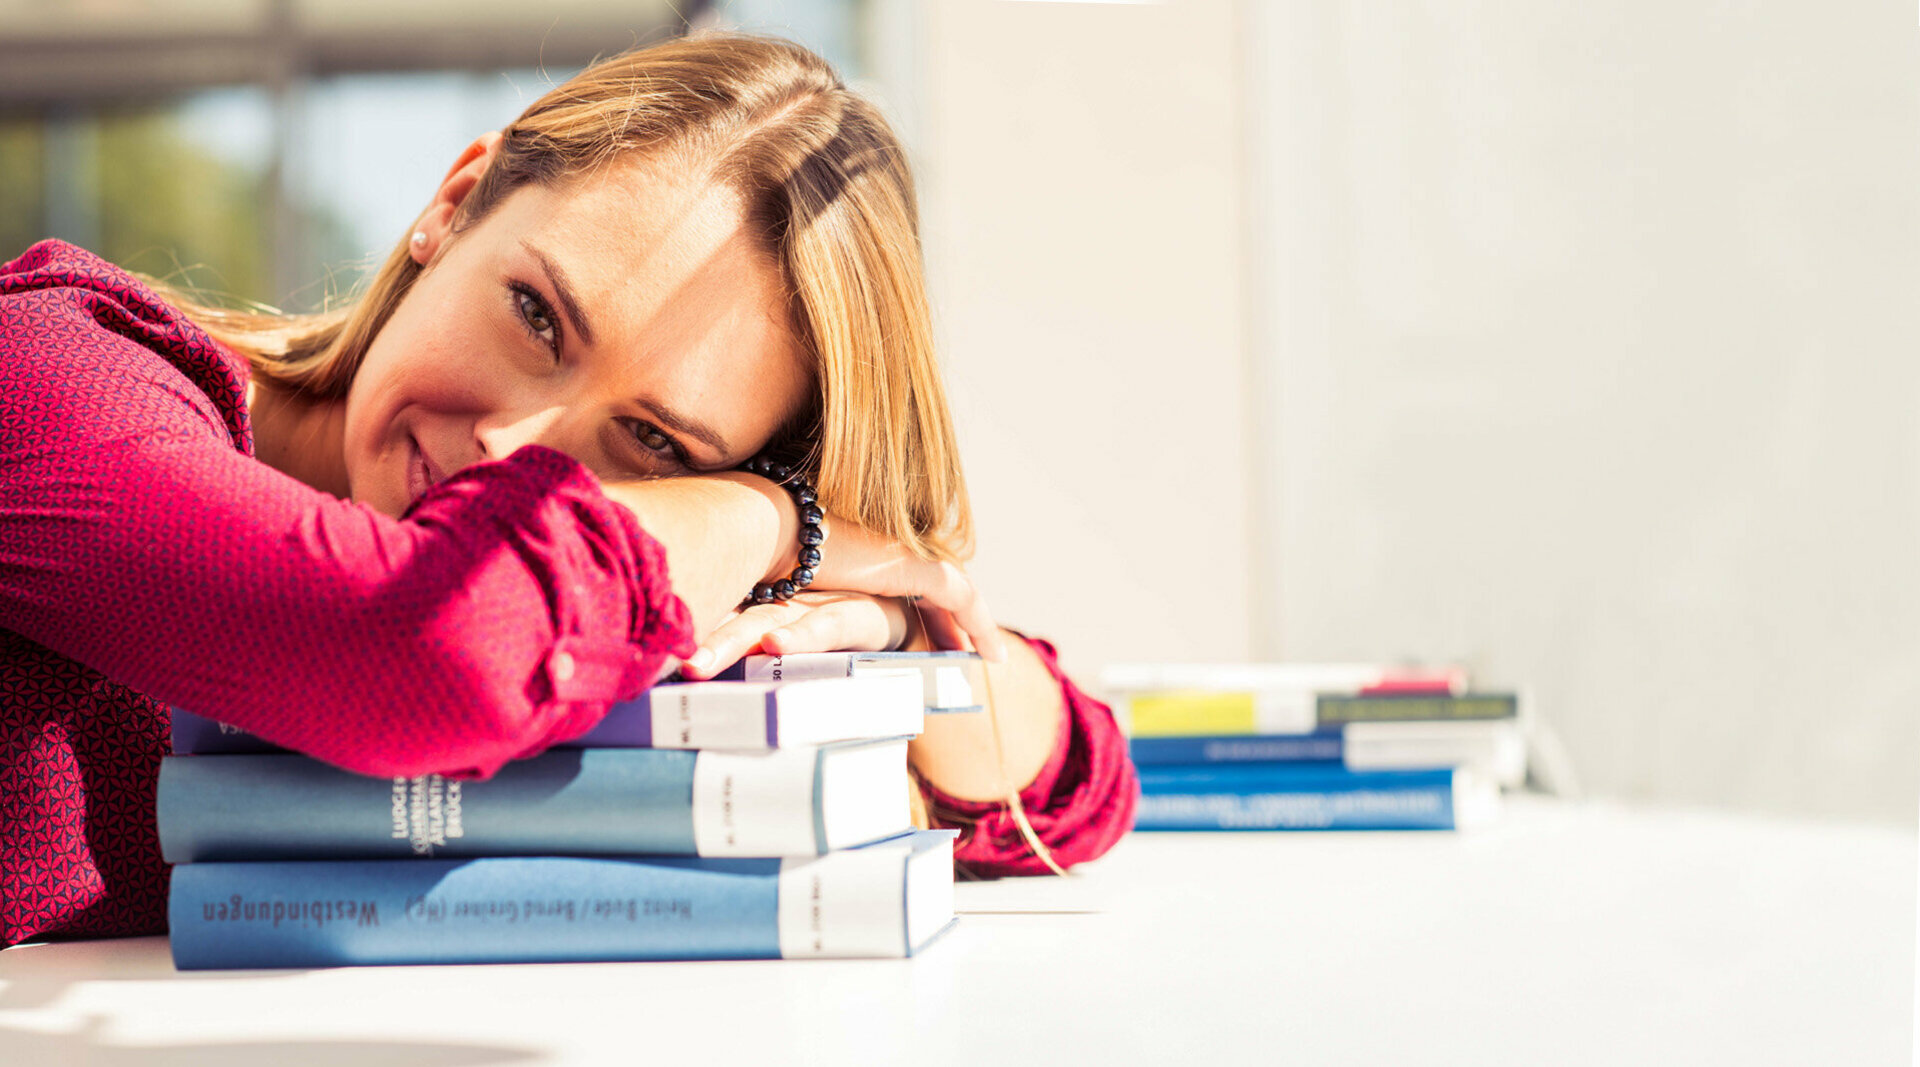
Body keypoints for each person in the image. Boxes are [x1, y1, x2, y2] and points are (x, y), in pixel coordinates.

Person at [0, 32, 1135, 947]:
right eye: (537, 315)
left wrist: (890, 626)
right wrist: (767, 518)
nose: (512, 448)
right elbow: (422, 642)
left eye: (649, 437)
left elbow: (1072, 776)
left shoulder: (599, 589)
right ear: (455, 203)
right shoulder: (44, 367)